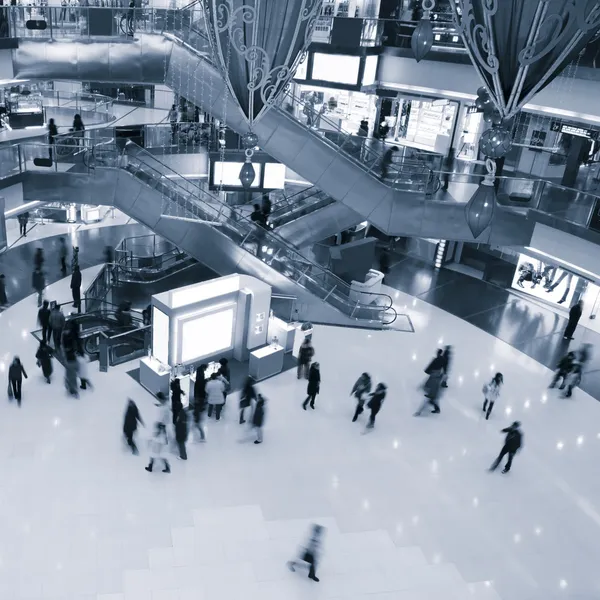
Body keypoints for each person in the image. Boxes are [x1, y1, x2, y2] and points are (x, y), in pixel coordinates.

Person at [193, 364, 207, 441]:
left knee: (198, 425)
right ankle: (202, 436)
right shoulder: (201, 379)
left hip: (199, 396)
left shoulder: (198, 380)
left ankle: (202, 437)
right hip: (201, 396)